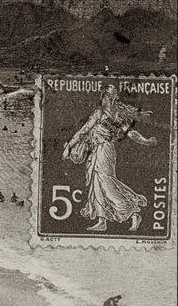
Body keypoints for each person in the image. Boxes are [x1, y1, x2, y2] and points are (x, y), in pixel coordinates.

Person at [62, 85, 157, 232]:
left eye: (107, 96)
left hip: (104, 150)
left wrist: (69, 146)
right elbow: (131, 133)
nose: (106, 99)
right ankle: (102, 221)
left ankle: (132, 213)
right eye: (106, 96)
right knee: (97, 185)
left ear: (107, 97)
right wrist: (146, 141)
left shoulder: (101, 113)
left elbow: (84, 131)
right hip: (100, 151)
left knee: (106, 184)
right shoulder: (117, 114)